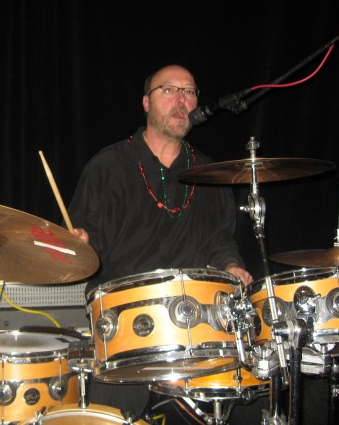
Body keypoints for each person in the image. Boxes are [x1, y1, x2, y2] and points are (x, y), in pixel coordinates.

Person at [68, 64, 253, 418]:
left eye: (189, 91)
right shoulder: (108, 167)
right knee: (110, 415)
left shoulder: (210, 174)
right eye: (169, 90)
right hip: (124, 327)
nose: (181, 100)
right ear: (146, 103)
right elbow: (89, 242)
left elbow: (220, 241)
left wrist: (232, 266)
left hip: (193, 324)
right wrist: (82, 243)